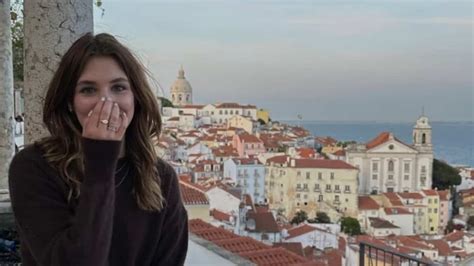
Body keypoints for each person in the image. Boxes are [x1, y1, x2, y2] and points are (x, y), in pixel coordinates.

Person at [8, 33, 188, 265]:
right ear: (70, 104)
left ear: (136, 98)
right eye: (88, 90)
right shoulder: (33, 167)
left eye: (119, 87)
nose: (106, 102)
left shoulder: (161, 178)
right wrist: (101, 162)